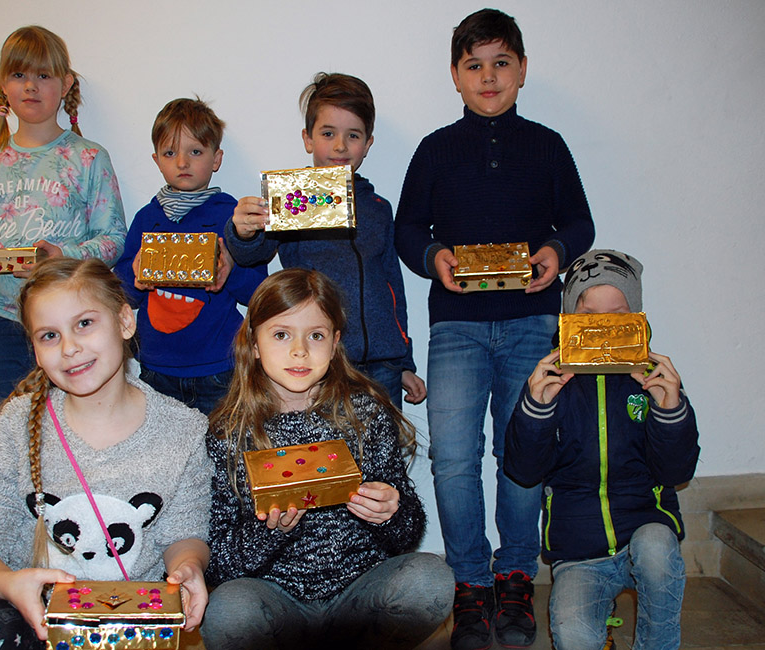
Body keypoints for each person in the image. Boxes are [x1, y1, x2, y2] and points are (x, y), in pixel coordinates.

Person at [393, 9, 595, 649]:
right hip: (456, 327)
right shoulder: (433, 148)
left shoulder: (548, 145)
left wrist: (557, 253)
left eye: (501, 63)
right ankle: (470, 585)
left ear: (523, 70)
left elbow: (580, 223)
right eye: (474, 65)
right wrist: (435, 260)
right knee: (453, 459)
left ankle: (514, 578)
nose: (488, 76)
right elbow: (406, 233)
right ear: (455, 75)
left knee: (522, 456)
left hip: (535, 322)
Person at [0, 258, 212, 649]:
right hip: (39, 620)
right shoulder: (18, 422)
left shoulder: (183, 428)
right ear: (34, 348)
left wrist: (188, 567)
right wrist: (8, 583)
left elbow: (185, 534)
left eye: (85, 324)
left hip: (132, 625)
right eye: (49, 336)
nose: (69, 348)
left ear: (124, 322)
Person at [201, 268, 453, 650]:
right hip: (277, 602)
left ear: (335, 344)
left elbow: (408, 534)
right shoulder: (228, 433)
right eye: (281, 334)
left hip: (359, 596)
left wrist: (392, 511)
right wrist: (270, 532)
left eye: (315, 335)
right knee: (228, 610)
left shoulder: (364, 415)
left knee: (430, 579)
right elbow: (218, 563)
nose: (300, 350)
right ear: (254, 343)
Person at [505, 249, 700, 650]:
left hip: (645, 535)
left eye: (618, 313)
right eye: (589, 314)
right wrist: (536, 409)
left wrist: (671, 409)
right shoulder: (551, 379)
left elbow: (676, 471)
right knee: (574, 637)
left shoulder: (650, 381)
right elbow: (523, 471)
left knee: (658, 545)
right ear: (568, 319)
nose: (603, 326)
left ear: (637, 318)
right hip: (578, 552)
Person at [0, 25, 126, 421]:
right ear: (3, 84)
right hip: (5, 325)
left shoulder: (87, 158)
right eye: (19, 75)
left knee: (76, 434)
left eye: (43, 76)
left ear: (65, 84)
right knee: (9, 438)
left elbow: (114, 238)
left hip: (71, 324)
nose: (30, 87)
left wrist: (61, 256)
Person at [226, 72, 425, 409]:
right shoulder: (291, 199)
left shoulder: (378, 208)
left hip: (382, 363)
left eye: (353, 135)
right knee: (329, 456)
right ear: (307, 139)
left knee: (385, 457)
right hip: (320, 363)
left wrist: (404, 360)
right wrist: (243, 231)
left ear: (368, 143)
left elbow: (393, 285)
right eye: (328, 133)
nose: (340, 146)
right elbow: (252, 254)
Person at [114, 98, 266, 414]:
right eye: (171, 153)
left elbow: (257, 293)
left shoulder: (233, 216)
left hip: (220, 366)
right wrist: (136, 276)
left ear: (216, 159)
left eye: (195, 152)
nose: (182, 162)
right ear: (157, 160)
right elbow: (122, 295)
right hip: (156, 367)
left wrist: (230, 271)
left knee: (225, 453)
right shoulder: (147, 218)